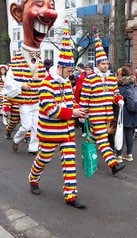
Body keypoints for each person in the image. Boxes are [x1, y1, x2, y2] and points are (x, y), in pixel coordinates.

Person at [28, 20, 89, 208]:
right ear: (60, 67)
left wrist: (79, 109)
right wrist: (73, 112)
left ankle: (70, 195)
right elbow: (51, 110)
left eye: (72, 71)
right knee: (43, 160)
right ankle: (33, 178)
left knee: (69, 163)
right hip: (50, 132)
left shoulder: (65, 82)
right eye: (69, 70)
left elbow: (70, 102)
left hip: (67, 132)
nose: (71, 74)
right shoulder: (46, 84)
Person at [4, 0, 58, 154]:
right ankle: (18, 139)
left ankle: (33, 147)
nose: (48, 12)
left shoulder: (42, 61)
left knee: (37, 126)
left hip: (38, 101)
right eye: (39, 3)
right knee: (26, 126)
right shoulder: (17, 61)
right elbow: (8, 85)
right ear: (18, 13)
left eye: (51, 5)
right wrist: (22, 87)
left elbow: (50, 80)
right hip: (25, 102)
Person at [79, 27, 126, 175]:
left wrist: (119, 100)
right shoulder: (90, 79)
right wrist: (82, 114)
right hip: (96, 115)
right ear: (97, 64)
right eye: (103, 64)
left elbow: (115, 93)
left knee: (93, 137)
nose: (106, 66)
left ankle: (85, 155)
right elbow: (84, 98)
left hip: (108, 116)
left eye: (107, 63)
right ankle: (113, 165)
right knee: (104, 141)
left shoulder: (112, 78)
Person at [116, 66, 137, 162]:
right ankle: (129, 154)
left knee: (120, 134)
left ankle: (118, 155)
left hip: (124, 113)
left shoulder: (121, 86)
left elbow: (117, 99)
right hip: (133, 112)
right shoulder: (133, 85)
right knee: (129, 134)